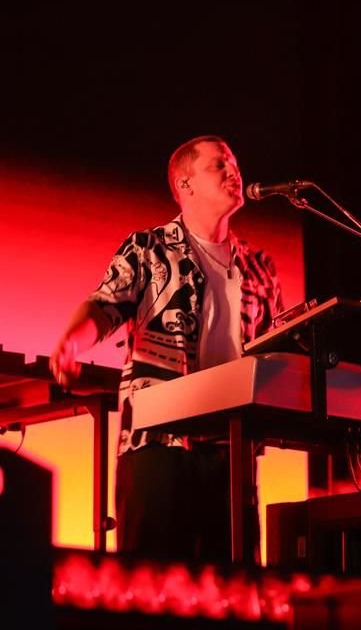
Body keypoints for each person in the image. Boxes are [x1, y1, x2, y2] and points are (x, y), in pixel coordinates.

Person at [49, 135, 283, 563]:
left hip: (231, 451)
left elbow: (278, 352)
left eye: (235, 163)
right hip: (158, 445)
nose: (235, 172)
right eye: (220, 165)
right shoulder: (149, 248)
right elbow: (105, 305)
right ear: (185, 183)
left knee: (235, 586)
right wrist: (70, 342)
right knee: (152, 579)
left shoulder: (259, 266)